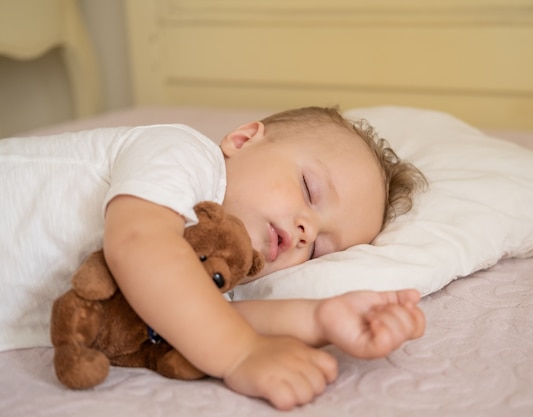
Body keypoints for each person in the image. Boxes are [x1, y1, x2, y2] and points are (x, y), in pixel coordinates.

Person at [0, 106, 427, 410]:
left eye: (318, 249)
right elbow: (138, 243)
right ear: (242, 140)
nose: (305, 232)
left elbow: (189, 318)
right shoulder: (184, 154)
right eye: (309, 190)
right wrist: (241, 354)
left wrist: (319, 319)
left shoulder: (206, 271)